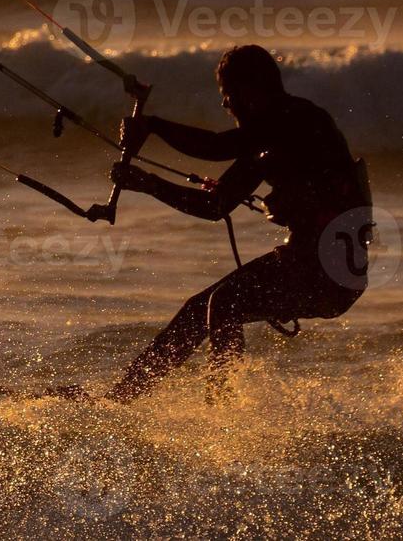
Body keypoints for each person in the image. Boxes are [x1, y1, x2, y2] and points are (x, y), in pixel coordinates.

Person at [105, 44, 371, 402]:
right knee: (200, 309)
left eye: (227, 95)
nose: (225, 106)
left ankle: (221, 408)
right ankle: (122, 397)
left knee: (224, 302)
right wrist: (149, 184)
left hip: (323, 271)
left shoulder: (297, 121)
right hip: (323, 270)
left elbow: (216, 147)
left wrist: (152, 127)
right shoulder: (270, 141)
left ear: (248, 92)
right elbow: (215, 205)